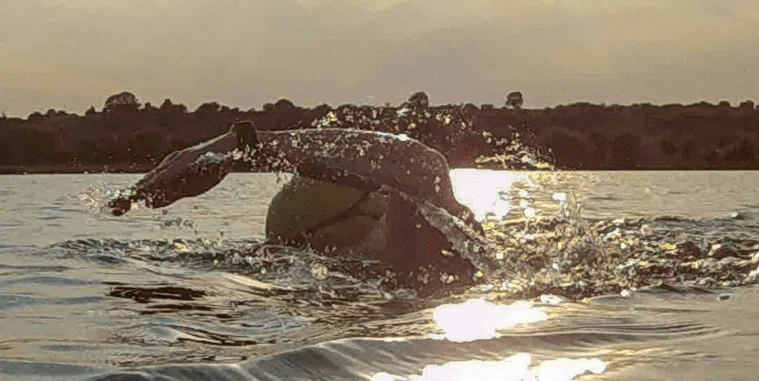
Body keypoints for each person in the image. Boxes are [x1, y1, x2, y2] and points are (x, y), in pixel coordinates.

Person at [107, 121, 484, 282]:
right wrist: (242, 145)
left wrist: (238, 145)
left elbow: (421, 162)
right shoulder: (413, 227)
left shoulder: (426, 218)